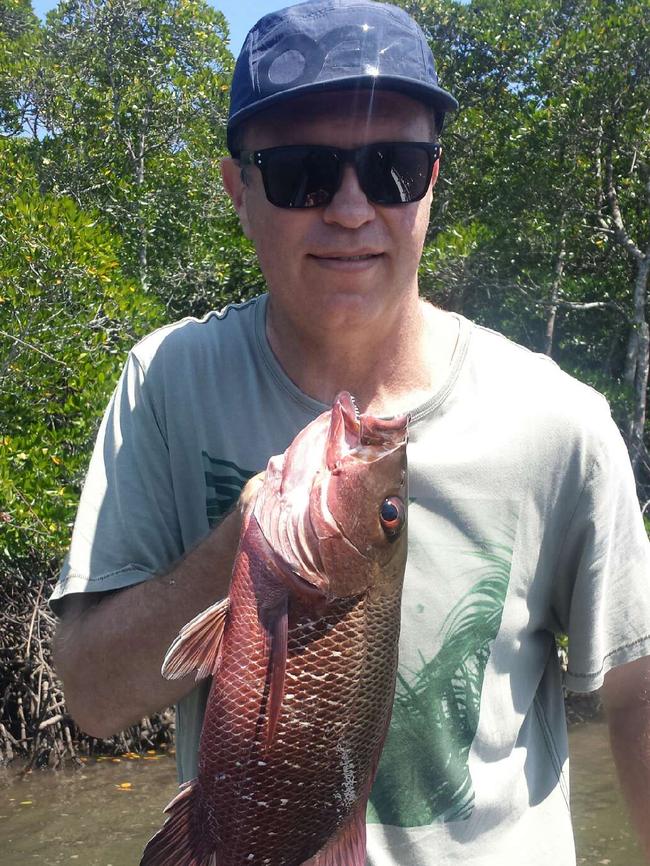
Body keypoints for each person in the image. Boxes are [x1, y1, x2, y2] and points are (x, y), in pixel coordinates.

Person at [51, 1, 650, 863]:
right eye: (301, 173)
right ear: (239, 191)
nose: (350, 208)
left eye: (393, 168)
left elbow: (634, 693)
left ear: (434, 181)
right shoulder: (168, 386)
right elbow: (92, 698)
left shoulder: (561, 423)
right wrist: (248, 552)